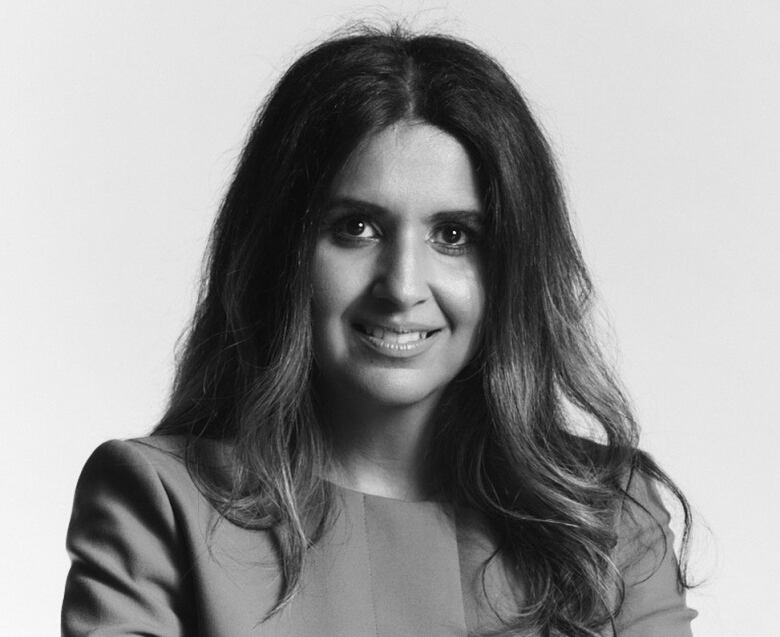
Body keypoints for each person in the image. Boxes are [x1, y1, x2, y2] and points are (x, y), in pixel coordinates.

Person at [61, 26, 697, 637]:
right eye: (355, 228)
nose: (402, 286)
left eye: (454, 236)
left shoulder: (609, 515)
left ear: (512, 269)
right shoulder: (160, 502)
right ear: (281, 252)